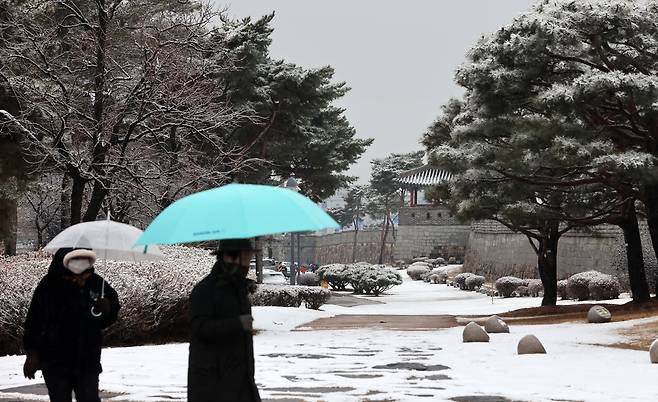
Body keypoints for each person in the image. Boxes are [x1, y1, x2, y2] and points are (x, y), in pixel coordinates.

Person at [23, 248, 121, 402]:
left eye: (84, 259)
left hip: (87, 359)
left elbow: (104, 321)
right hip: (55, 360)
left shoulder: (96, 283)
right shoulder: (49, 285)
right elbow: (34, 322)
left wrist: (108, 309)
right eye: (75, 258)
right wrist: (32, 353)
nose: (80, 263)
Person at [188, 238, 261, 402]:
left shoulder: (239, 289)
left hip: (240, 381)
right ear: (232, 258)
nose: (248, 264)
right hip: (213, 386)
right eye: (247, 258)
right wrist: (238, 324)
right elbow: (200, 328)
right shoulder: (205, 290)